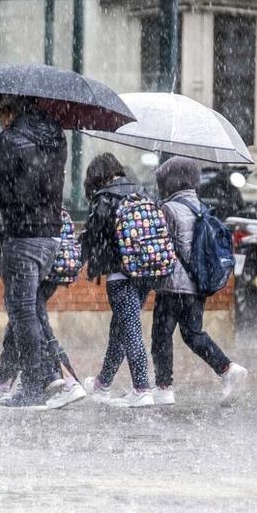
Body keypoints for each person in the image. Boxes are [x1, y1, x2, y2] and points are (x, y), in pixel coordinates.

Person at [0, 95, 80, 409]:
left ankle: (37, 385)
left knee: (23, 312)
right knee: (29, 309)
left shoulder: (9, 140)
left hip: (22, 235)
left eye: (0, 113)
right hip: (51, 234)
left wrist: (3, 200)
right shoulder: (57, 138)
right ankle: (12, 377)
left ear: (10, 111)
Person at [152, 156, 248, 406]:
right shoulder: (201, 207)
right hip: (197, 284)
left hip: (173, 284)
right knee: (193, 334)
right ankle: (228, 369)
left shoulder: (169, 208)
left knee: (161, 335)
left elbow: (163, 248)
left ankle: (164, 387)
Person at [80, 153, 156, 408]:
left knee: (130, 329)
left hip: (120, 274)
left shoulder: (105, 198)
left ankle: (142, 388)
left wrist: (80, 263)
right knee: (121, 330)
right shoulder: (141, 193)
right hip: (145, 271)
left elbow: (95, 239)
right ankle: (103, 384)